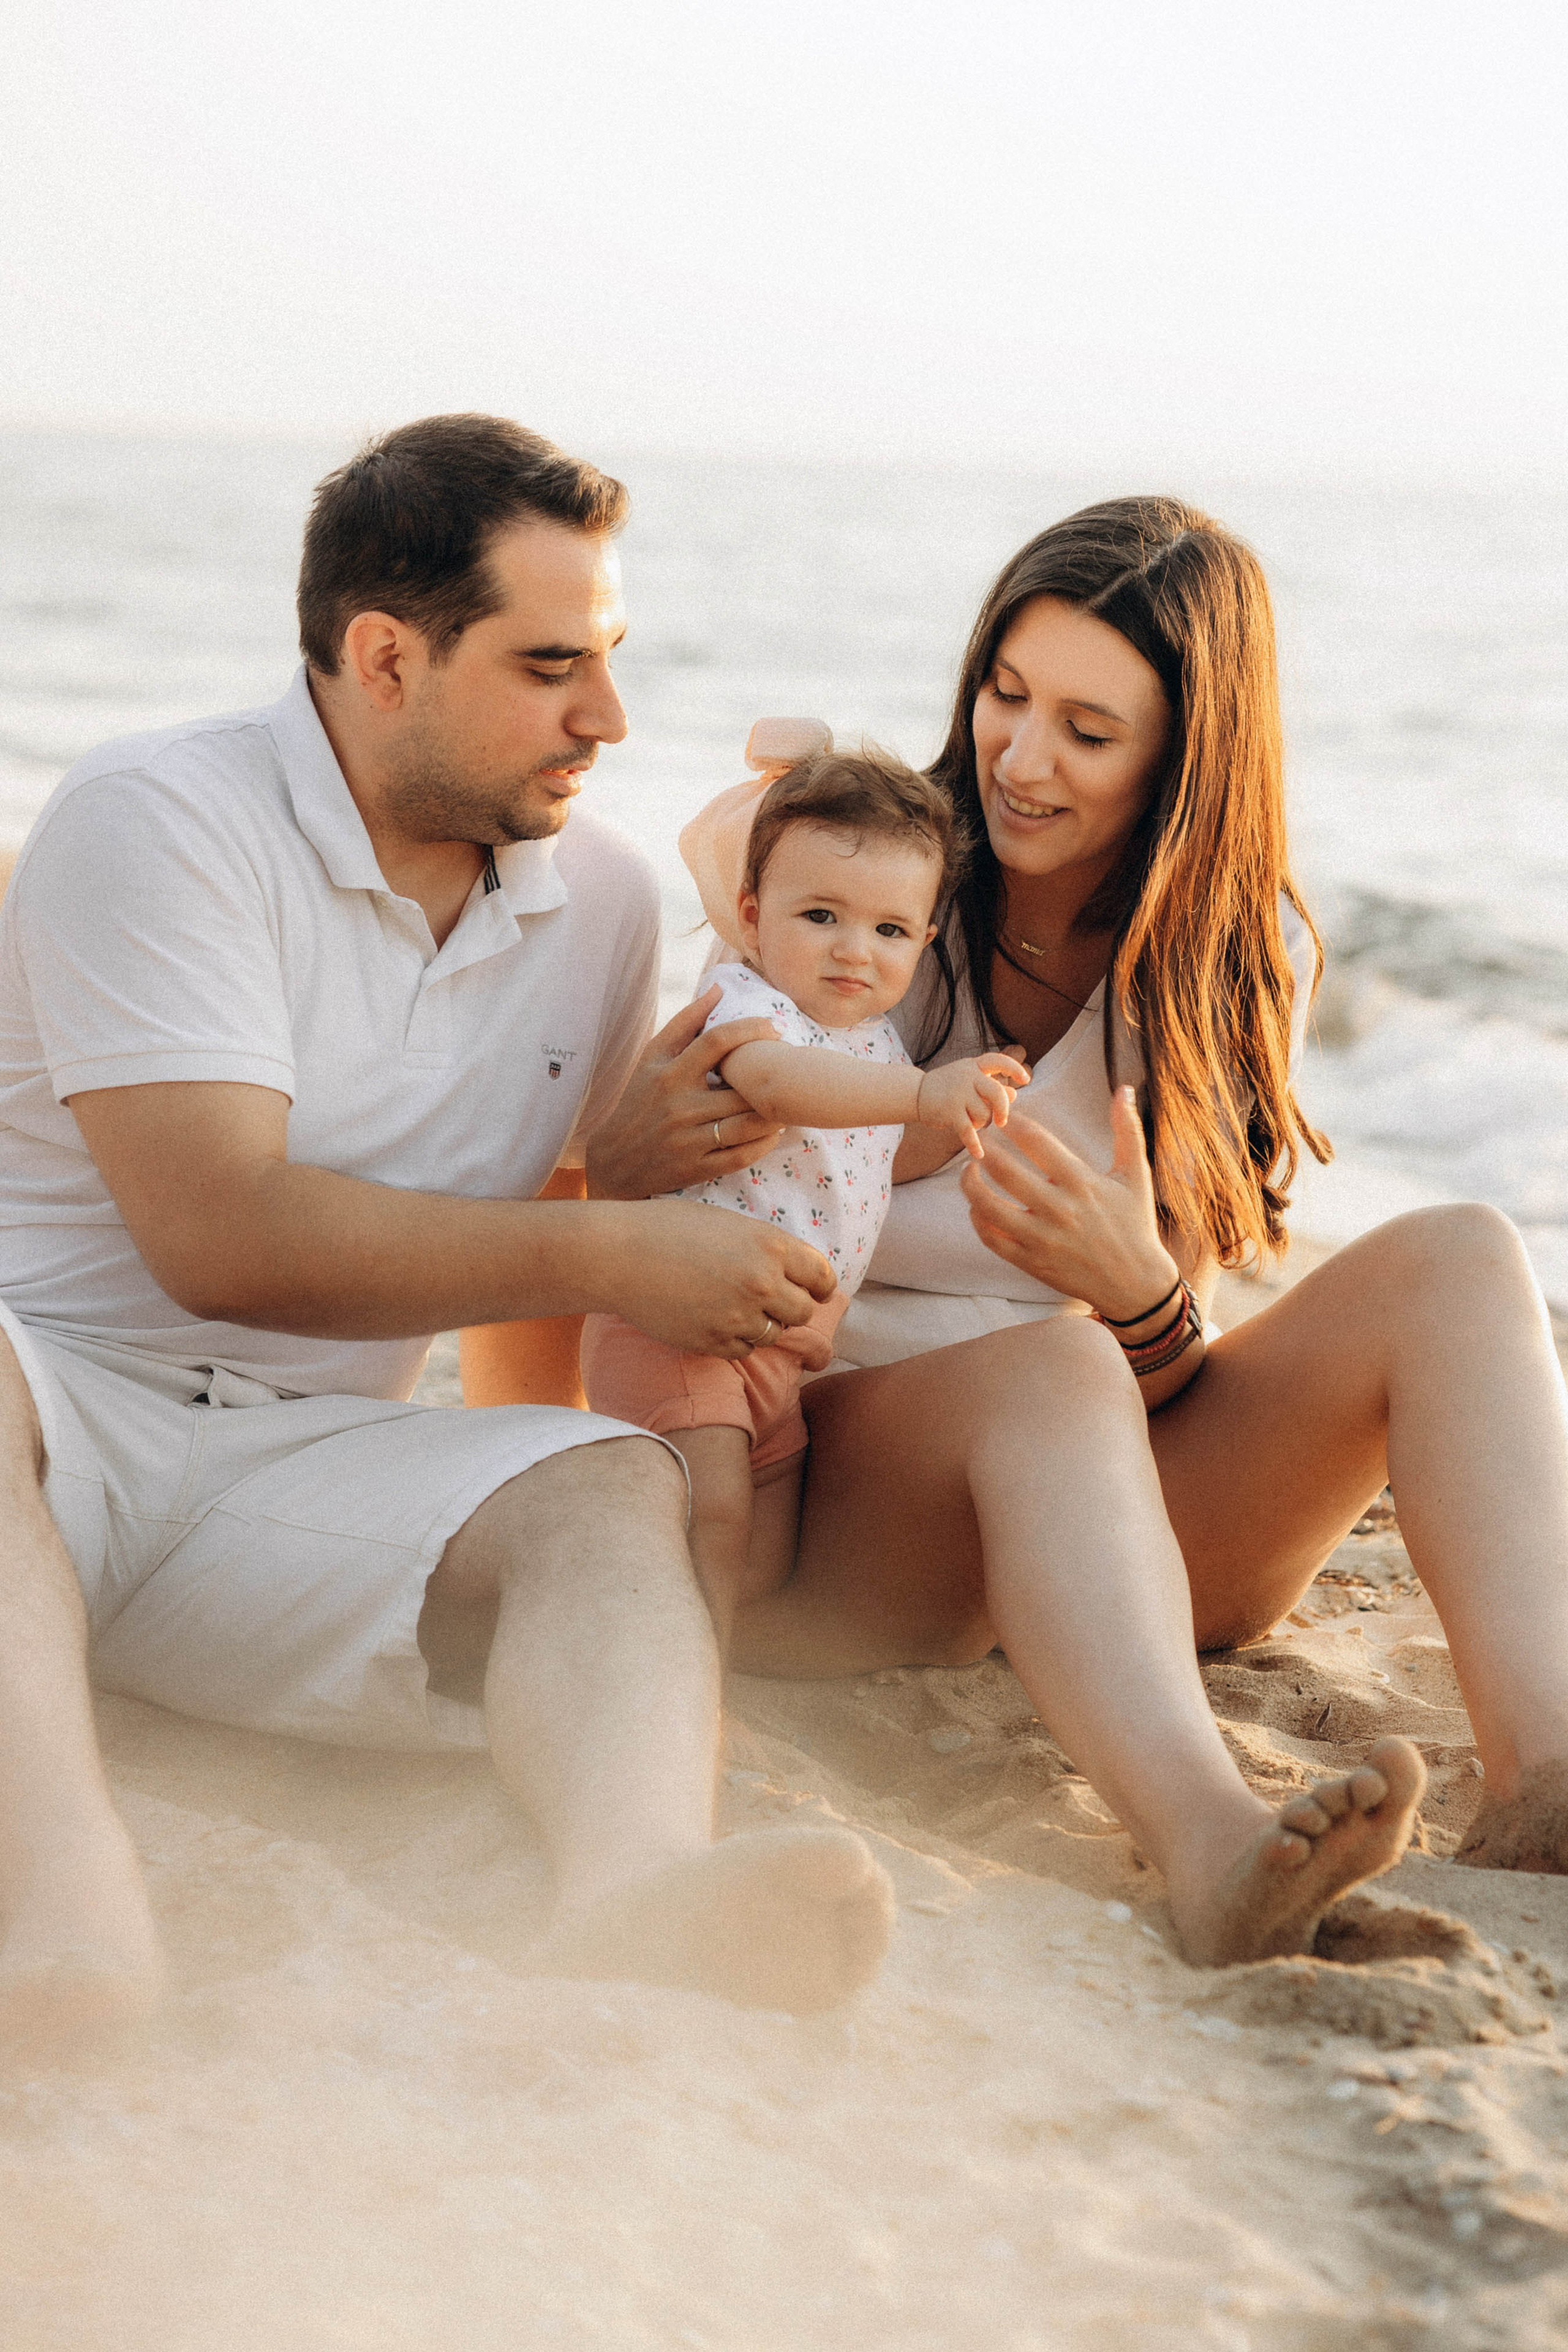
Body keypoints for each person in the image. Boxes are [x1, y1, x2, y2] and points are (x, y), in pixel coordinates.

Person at [500, 496, 1568, 1966]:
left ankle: (1544, 1777)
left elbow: (1157, 1367)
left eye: (1086, 727)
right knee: (1053, 1374)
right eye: (1005, 695)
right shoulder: (866, 898)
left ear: (1183, 762)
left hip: (1109, 1530)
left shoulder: (1235, 956)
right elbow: (632, 1145)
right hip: (828, 1509)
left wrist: (1141, 1299)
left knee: (1460, 1253)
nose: (1018, 755)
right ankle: (1208, 1845)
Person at [0, 413, 902, 2052]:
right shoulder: (158, 816)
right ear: (384, 656)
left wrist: (614, 1197)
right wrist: (612, 1252)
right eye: (554, 665)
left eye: (612, 660)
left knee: (596, 1480)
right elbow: (225, 1233)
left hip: (301, 1476)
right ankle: (63, 1908)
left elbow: (519, 1226)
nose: (608, 719)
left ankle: (631, 1890)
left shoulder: (602, 900)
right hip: (46, 1423)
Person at [580, 742, 1025, 1649]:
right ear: (752, 915)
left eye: (891, 932)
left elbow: (876, 1156)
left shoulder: (874, 1048)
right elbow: (778, 1088)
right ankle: (672, 1675)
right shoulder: (747, 1005)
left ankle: (674, 1641)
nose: (855, 951)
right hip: (683, 1324)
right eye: (821, 915)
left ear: (926, 940)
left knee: (762, 1559)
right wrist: (924, 1094)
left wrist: (963, 1105)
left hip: (785, 1355)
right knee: (712, 1520)